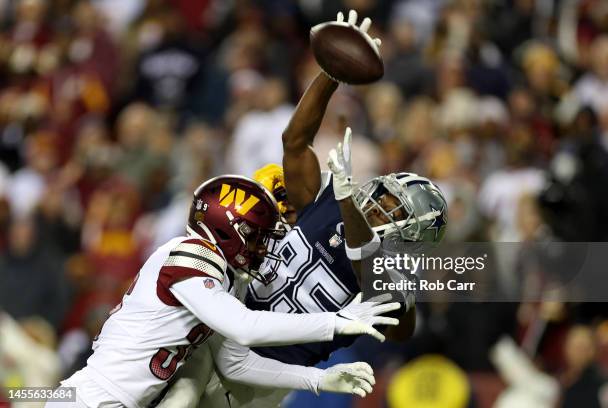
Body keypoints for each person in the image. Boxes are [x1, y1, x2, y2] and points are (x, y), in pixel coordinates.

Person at [160, 10, 448, 408]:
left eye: (394, 212)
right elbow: (294, 141)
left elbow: (395, 320)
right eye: (384, 197)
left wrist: (348, 202)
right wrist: (330, 74)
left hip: (258, 382)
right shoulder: (329, 200)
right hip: (217, 330)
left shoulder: (392, 280)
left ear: (410, 237)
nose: (379, 208)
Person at [45, 175, 400, 408]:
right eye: (258, 236)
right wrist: (336, 322)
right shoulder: (187, 255)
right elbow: (245, 327)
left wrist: (319, 378)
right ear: (229, 230)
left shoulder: (220, 278)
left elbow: (237, 362)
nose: (265, 248)